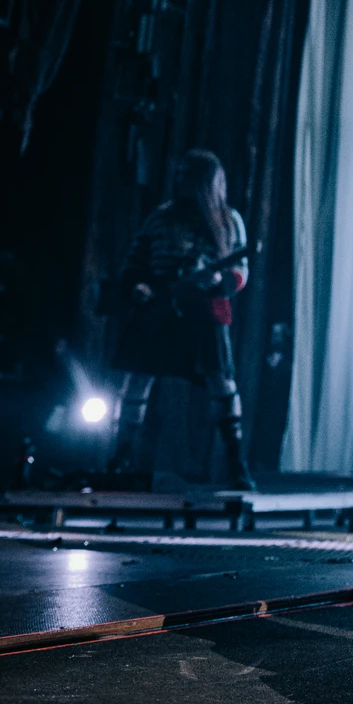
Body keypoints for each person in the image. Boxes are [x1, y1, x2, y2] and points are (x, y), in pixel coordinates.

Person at [109, 149, 254, 491]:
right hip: (160, 307)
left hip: (204, 311)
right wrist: (139, 287)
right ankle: (121, 457)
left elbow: (240, 271)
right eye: (180, 175)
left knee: (222, 383)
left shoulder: (228, 220)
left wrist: (218, 281)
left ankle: (236, 462)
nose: (181, 182)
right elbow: (135, 262)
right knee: (137, 382)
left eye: (189, 176)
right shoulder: (160, 218)